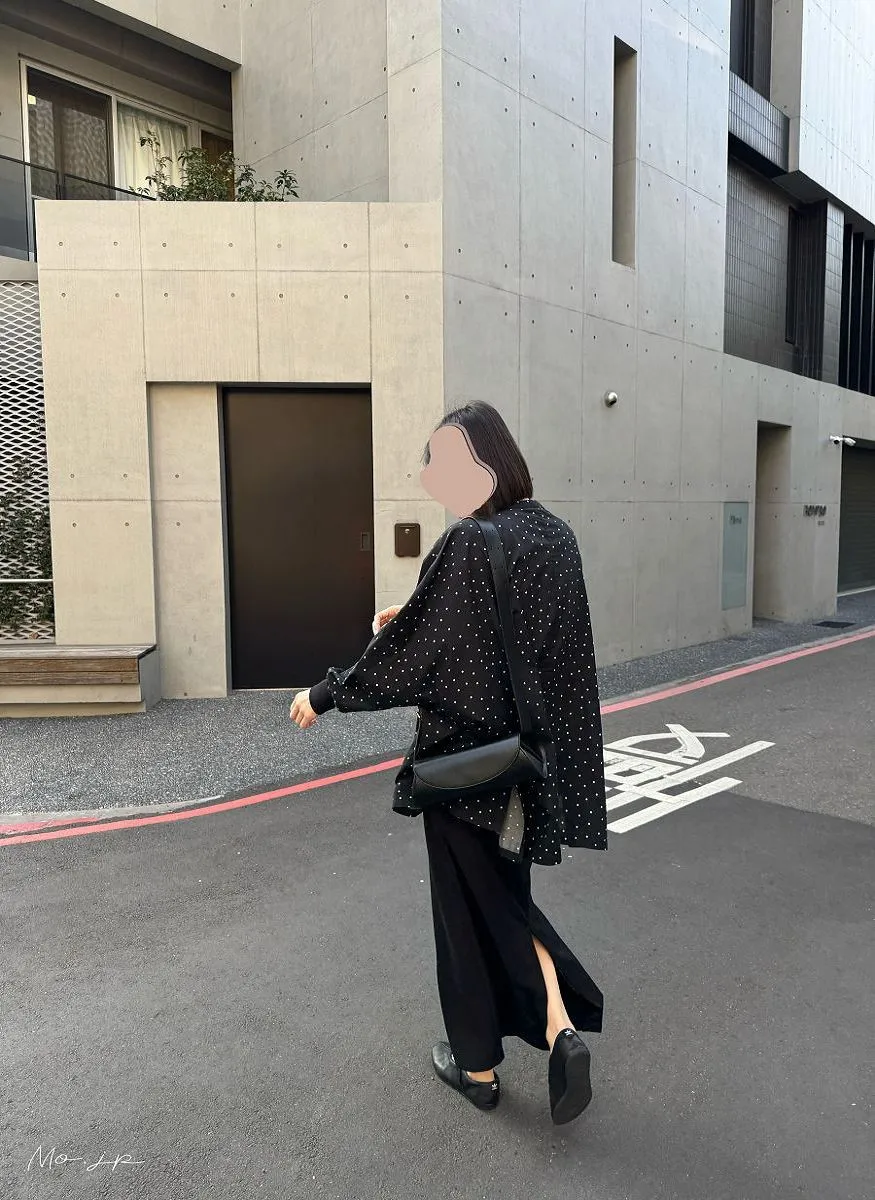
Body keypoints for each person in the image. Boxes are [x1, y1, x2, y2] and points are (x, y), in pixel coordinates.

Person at [289, 401, 608, 1125]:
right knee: (507, 902)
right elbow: (538, 650)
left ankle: (479, 1069)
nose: (433, 477)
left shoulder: (469, 540)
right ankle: (560, 1027)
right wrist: (409, 616)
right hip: (525, 767)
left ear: (482, 465)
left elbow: (422, 660)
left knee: (463, 921)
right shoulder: (554, 538)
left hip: (465, 773)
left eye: (443, 463)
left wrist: (328, 692)